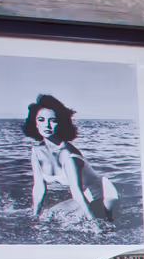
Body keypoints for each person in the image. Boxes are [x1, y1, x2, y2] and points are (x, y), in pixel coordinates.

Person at [22, 93, 118, 223]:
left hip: (103, 195)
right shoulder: (37, 151)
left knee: (69, 222)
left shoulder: (68, 154)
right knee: (47, 217)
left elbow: (76, 191)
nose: (47, 126)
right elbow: (39, 187)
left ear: (61, 123)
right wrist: (35, 216)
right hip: (83, 195)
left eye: (53, 120)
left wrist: (94, 223)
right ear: (35, 123)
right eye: (41, 120)